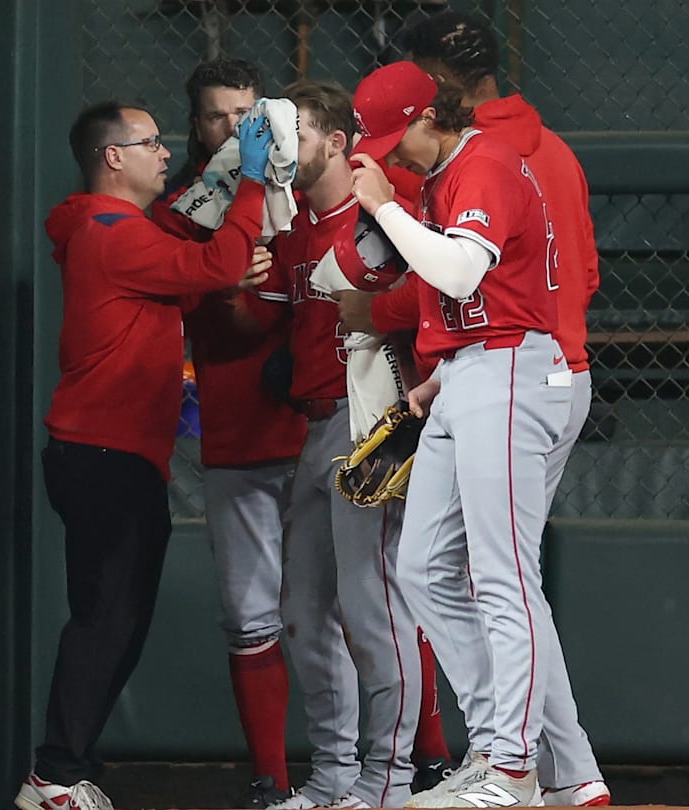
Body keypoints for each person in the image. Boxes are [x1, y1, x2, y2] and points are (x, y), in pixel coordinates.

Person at [349, 12, 610, 804]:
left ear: (433, 109)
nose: (387, 164)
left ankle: (511, 764)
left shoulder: (486, 164)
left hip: (519, 370)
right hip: (475, 369)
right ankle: (549, 766)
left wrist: (385, 211)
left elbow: (464, 273)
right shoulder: (458, 171)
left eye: (394, 146)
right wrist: (442, 374)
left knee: (503, 577)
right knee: (423, 566)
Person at [14, 100, 276, 810]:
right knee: (107, 620)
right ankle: (54, 777)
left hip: (112, 455)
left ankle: (66, 772)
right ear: (112, 158)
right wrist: (250, 181)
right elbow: (215, 257)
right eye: (149, 141)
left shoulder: (121, 231)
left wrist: (221, 268)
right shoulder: (109, 231)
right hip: (105, 455)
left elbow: (190, 276)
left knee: (116, 620)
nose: (164, 151)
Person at [239, 80, 429, 810]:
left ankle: (388, 783)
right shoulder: (292, 230)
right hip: (317, 427)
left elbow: (436, 302)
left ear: (337, 144)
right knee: (303, 607)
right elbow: (265, 322)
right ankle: (333, 782)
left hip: (378, 426)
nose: (284, 146)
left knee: (370, 604)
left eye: (296, 134)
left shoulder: (378, 215)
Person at [150, 58, 307, 809]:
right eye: (219, 116)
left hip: (319, 429)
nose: (235, 129)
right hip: (237, 437)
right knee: (251, 617)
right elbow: (204, 315)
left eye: (248, 113)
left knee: (359, 608)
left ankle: (407, 768)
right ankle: (271, 782)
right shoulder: (182, 210)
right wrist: (219, 275)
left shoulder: (306, 191)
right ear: (196, 125)